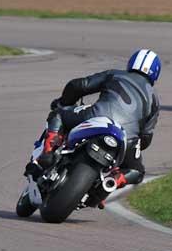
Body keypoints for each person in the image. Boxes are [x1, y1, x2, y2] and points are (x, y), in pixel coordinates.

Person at [26, 49, 161, 205]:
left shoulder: (115, 74)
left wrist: (63, 102)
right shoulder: (155, 99)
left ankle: (47, 153)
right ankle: (112, 182)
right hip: (127, 137)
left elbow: (78, 85)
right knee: (137, 172)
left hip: (96, 116)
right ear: (155, 73)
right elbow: (146, 138)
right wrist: (134, 145)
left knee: (59, 114)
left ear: (131, 63)